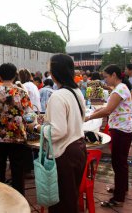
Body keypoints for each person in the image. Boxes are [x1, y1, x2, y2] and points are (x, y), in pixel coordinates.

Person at [32, 54, 87, 213]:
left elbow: (58, 131)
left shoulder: (58, 96)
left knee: (62, 203)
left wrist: (36, 128)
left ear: (55, 73)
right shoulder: (76, 92)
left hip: (65, 153)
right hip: (78, 147)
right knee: (70, 197)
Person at [85, 65, 132, 207]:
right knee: (120, 163)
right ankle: (122, 188)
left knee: (119, 163)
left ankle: (118, 198)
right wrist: (99, 109)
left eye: (106, 76)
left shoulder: (120, 89)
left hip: (121, 130)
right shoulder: (120, 88)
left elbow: (108, 110)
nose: (105, 80)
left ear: (113, 75)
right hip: (122, 129)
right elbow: (109, 107)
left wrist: (89, 118)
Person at [0, 63, 34, 195]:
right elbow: (29, 114)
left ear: (0, 75)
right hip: (17, 135)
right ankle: (19, 199)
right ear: (15, 75)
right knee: (17, 170)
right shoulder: (21, 92)